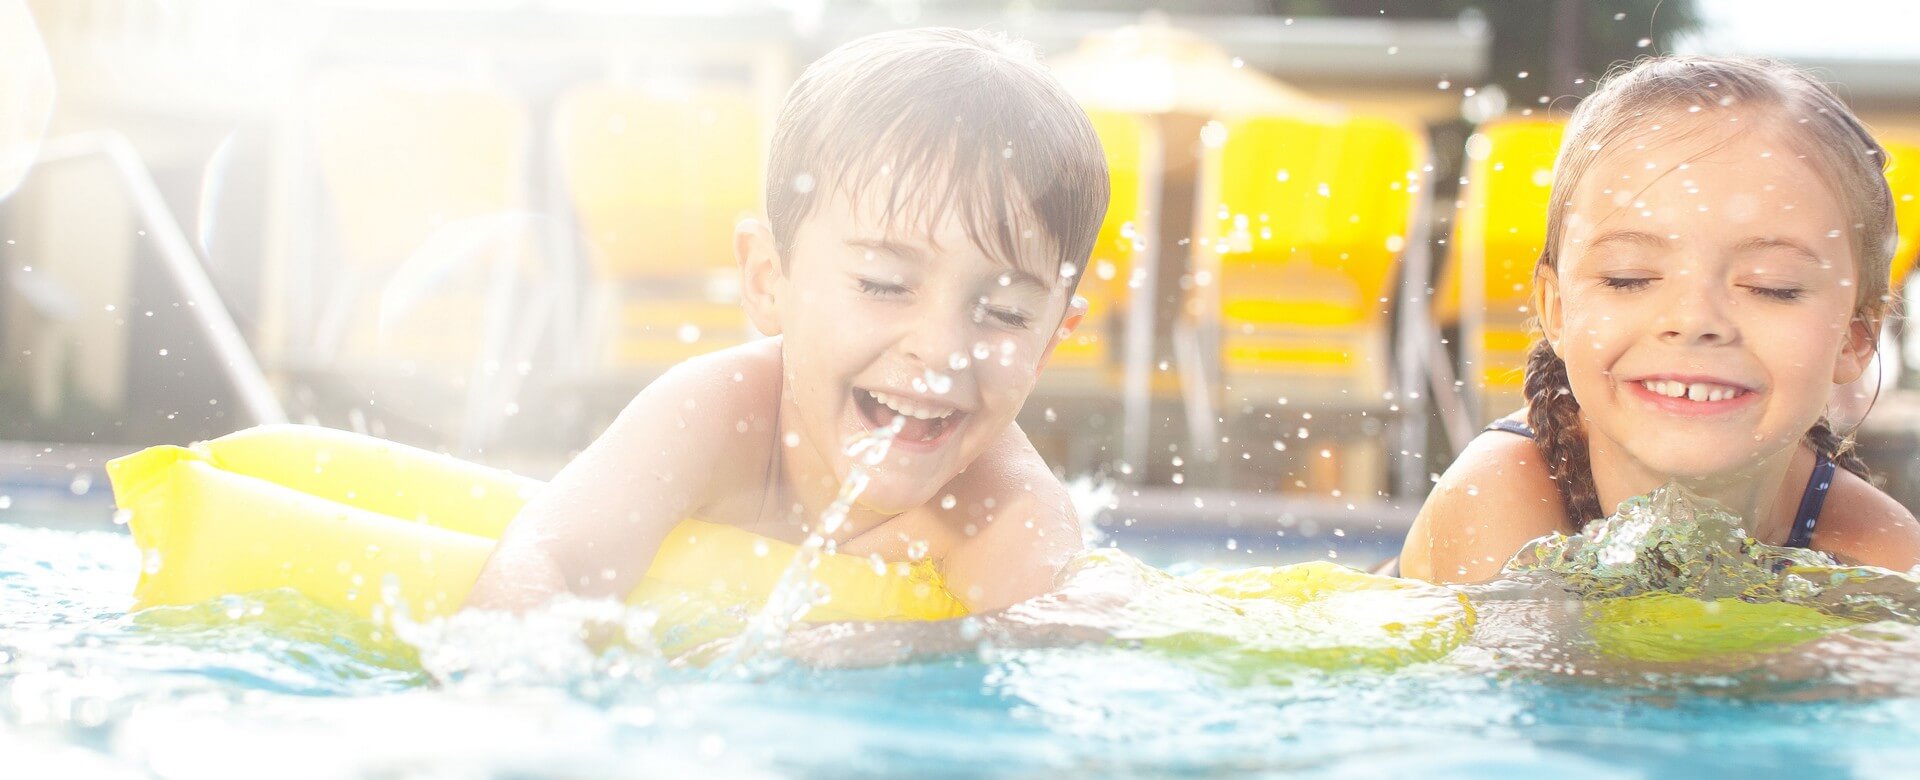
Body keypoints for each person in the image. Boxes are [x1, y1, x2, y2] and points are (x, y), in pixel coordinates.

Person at [465, 28, 1109, 615]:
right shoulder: (716, 414)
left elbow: (1036, 682)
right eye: (884, 284)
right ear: (768, 280)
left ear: (1049, 344)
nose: (941, 349)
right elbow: (548, 559)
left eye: (1004, 314)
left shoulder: (1006, 513)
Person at [1401, 55, 1920, 583]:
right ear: (1557, 311)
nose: (1693, 320)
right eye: (1629, 278)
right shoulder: (1500, 493)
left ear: (1855, 338)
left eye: (1772, 286)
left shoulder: (1880, 549)